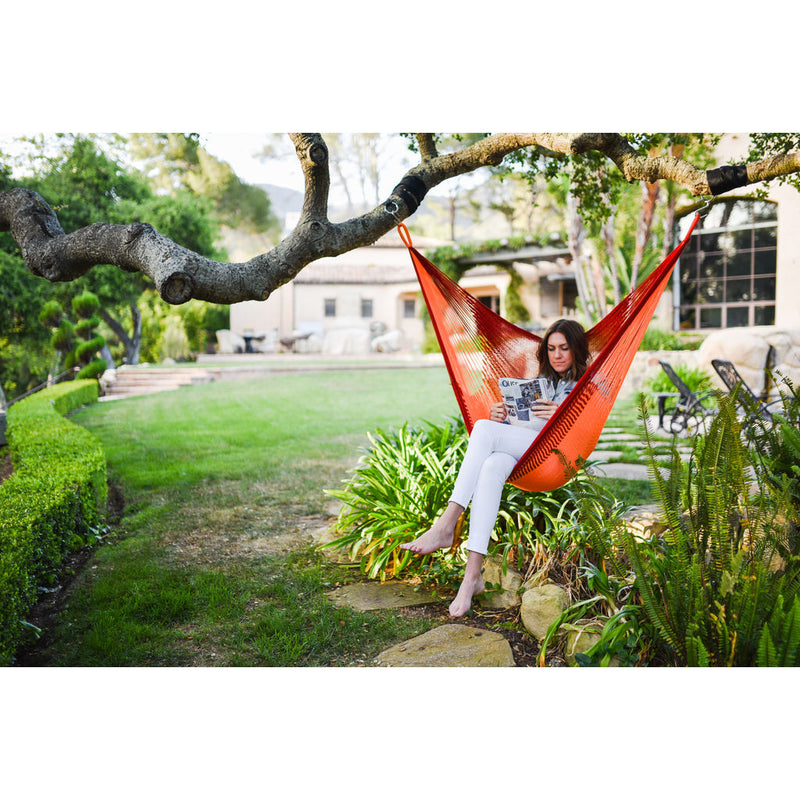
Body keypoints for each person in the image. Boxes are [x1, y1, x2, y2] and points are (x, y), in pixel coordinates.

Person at [400, 319, 590, 617]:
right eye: (551, 348)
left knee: (483, 430)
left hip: (554, 456)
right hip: (526, 451)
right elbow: (524, 425)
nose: (557, 355)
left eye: (564, 348)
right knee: (491, 464)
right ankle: (472, 577)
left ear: (576, 349)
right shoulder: (542, 381)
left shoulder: (588, 386)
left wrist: (561, 415)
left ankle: (446, 524)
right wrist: (502, 415)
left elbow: (586, 434)